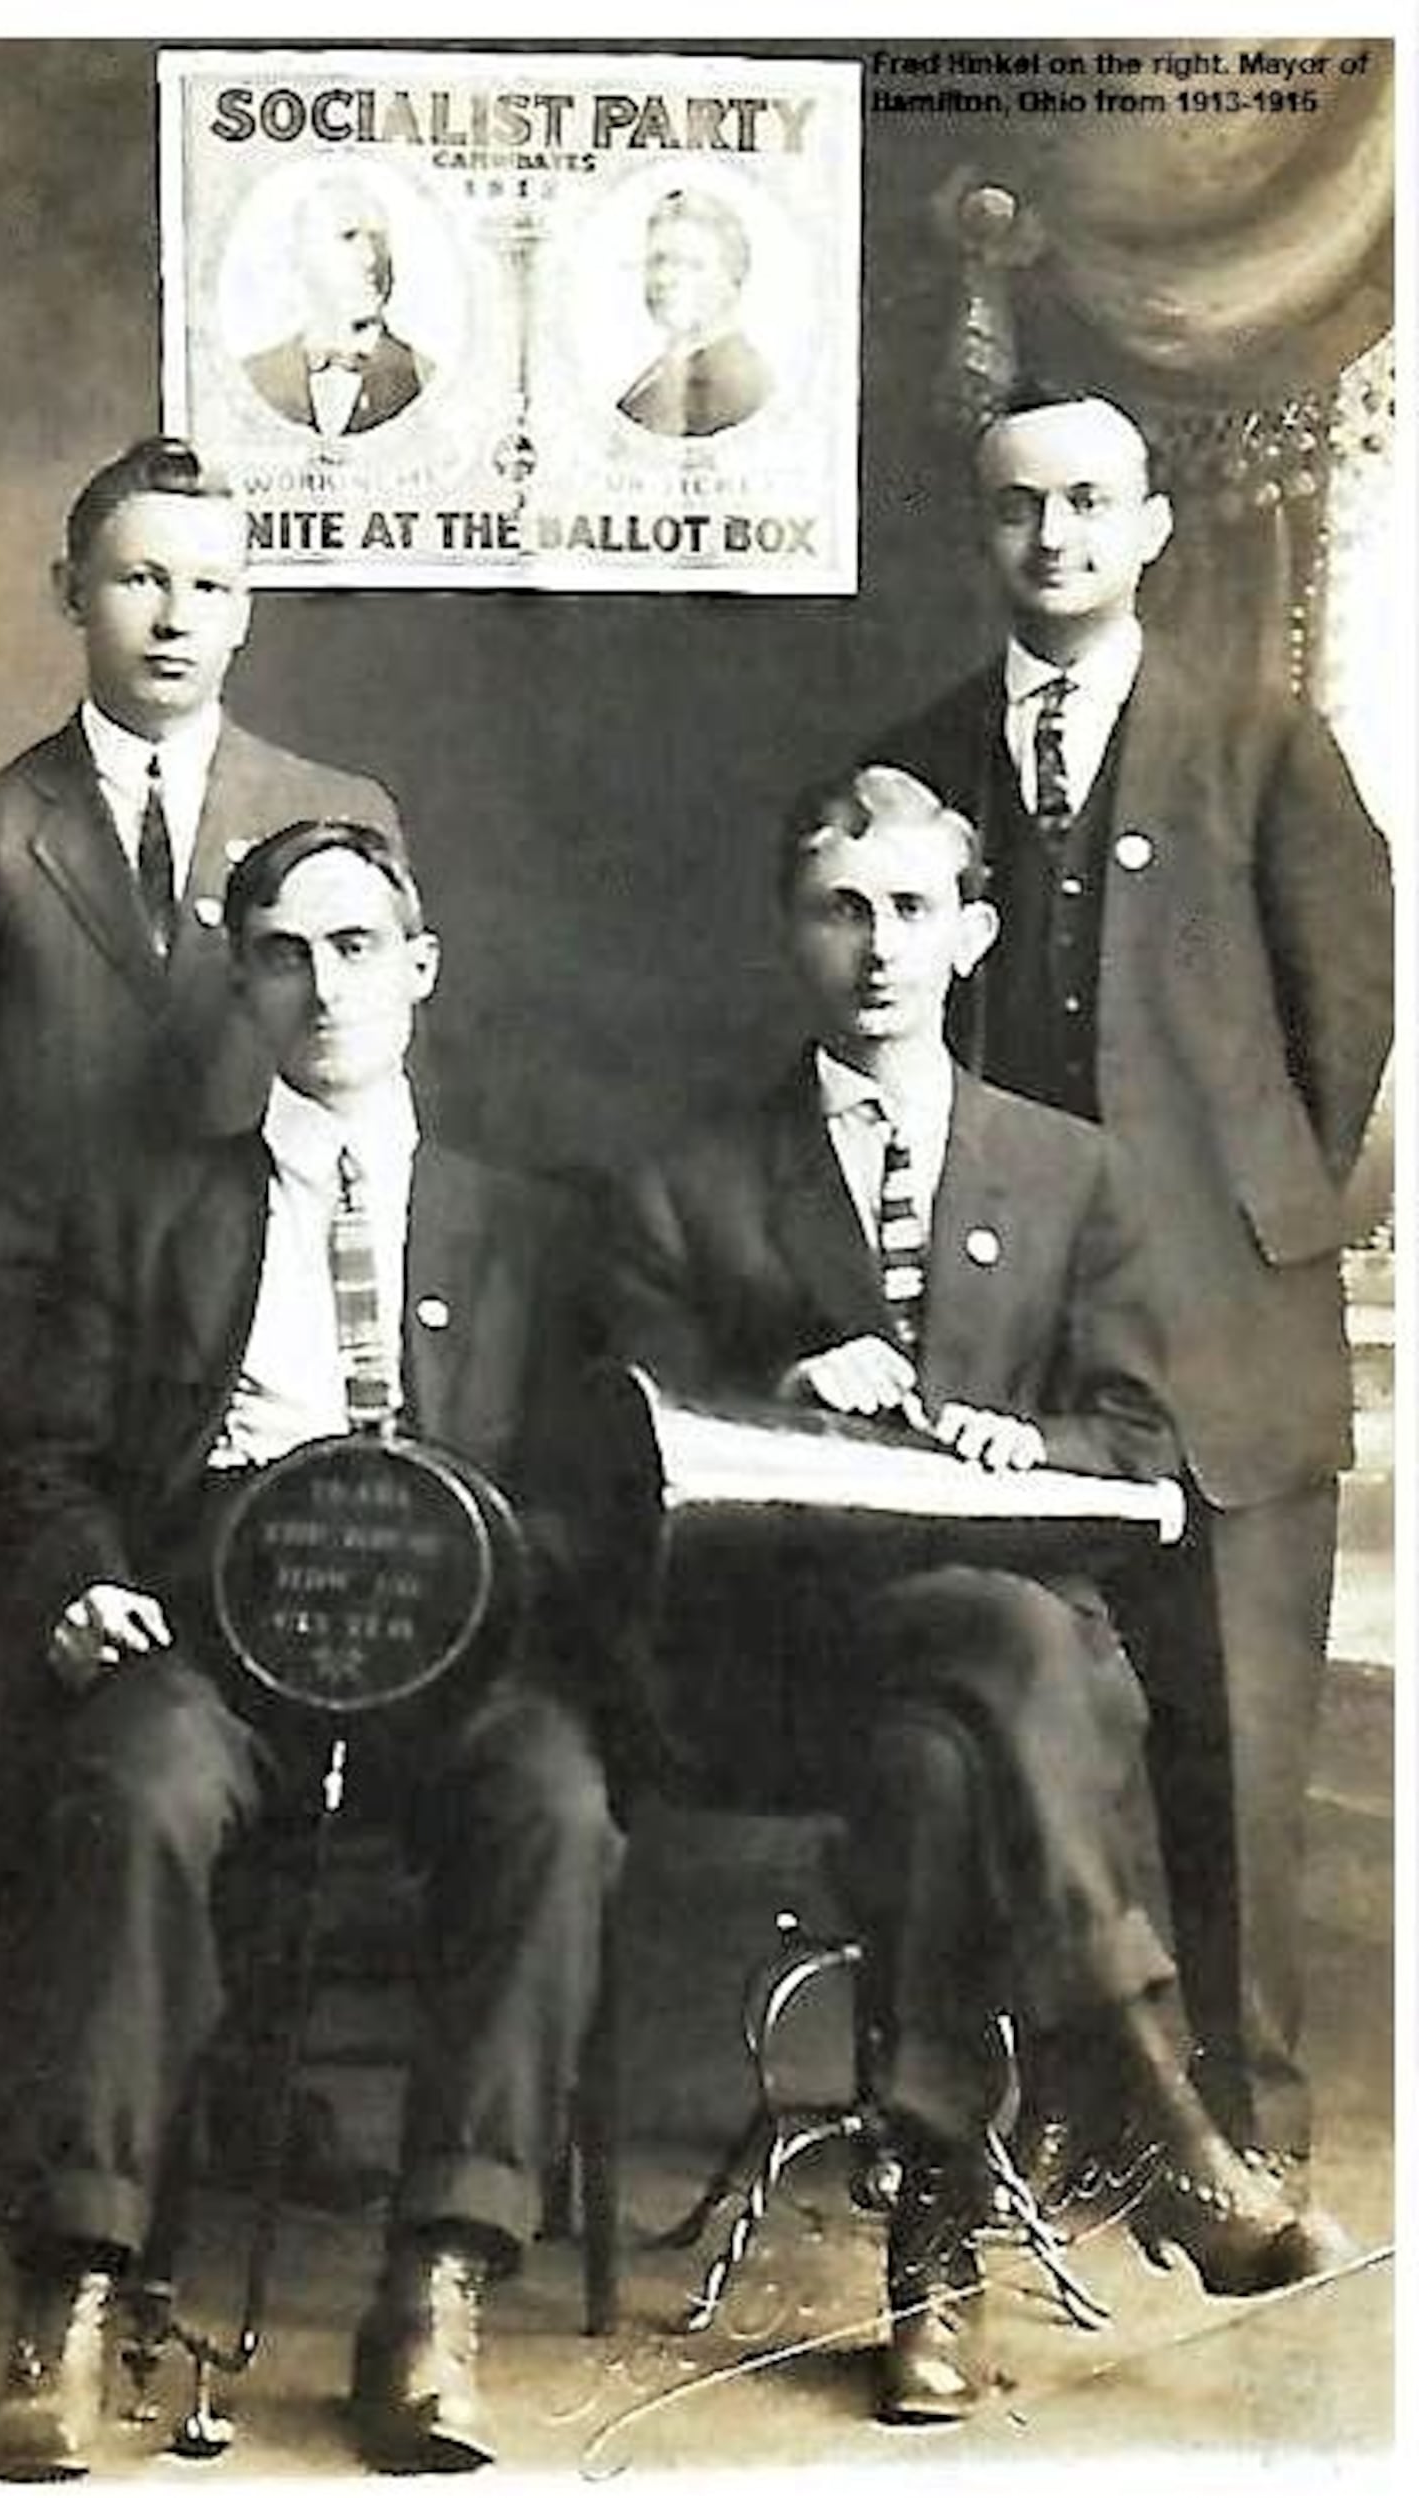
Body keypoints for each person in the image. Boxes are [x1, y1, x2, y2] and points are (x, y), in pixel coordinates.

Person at [598, 766, 1326, 2427]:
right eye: (840, 908)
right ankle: (1156, 2102)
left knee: (950, 1745)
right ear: (791, 931)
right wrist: (788, 1380)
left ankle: (936, 2251)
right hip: (783, 1661)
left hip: (984, 1692)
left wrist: (1029, 1436)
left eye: (912, 908)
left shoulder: (1069, 1172)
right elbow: (624, 1461)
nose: (878, 948)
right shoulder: (688, 1178)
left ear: (973, 933)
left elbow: (1138, 1456)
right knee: (1003, 1644)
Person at [0, 818, 620, 2481]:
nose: (324, 982)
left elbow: (587, 1493)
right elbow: (46, 1459)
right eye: (284, 951)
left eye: (356, 945)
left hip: (455, 1653)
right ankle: (83, 2290)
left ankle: (436, 2288)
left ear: (420, 969)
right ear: (245, 983)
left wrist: (477, 1574)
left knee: (555, 1802)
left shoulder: (534, 1229)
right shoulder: (149, 1211)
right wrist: (85, 1586)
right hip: (214, 1629)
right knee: (130, 1789)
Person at [877, 384, 1393, 2216]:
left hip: (1219, 1324)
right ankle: (1058, 2105)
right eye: (1020, 507)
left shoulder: (1262, 748)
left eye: (1093, 503)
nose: (1058, 539)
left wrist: (1234, 1221)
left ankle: (1247, 2130)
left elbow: (1346, 1027)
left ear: (1154, 526)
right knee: (1037, 1714)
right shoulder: (927, 757)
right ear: (982, 532)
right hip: (1010, 1342)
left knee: (1239, 1733)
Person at [0, 432, 402, 1454]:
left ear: (243, 612)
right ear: (72, 592)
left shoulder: (333, 810)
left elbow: (371, 1072)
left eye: (208, 585)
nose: (173, 618)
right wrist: (38, 1237)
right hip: (32, 1325)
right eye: (139, 579)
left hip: (261, 1321)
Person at [245, 174, 431, 437]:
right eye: (348, 237)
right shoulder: (257, 377)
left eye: (378, 240)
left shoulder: (425, 380)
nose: (369, 259)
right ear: (300, 256)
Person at [616, 188, 772, 438]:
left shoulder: (738, 386)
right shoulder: (668, 366)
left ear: (732, 276)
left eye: (688, 264)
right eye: (657, 261)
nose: (664, 278)